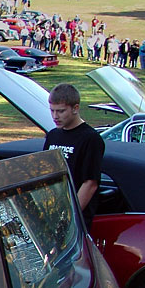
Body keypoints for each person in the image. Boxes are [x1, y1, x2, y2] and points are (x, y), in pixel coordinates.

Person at [43, 83, 104, 229]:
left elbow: (90, 183)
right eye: (52, 111)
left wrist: (69, 215)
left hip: (75, 219)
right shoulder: (52, 135)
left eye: (61, 111)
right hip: (52, 211)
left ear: (75, 108)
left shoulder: (90, 139)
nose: (55, 116)